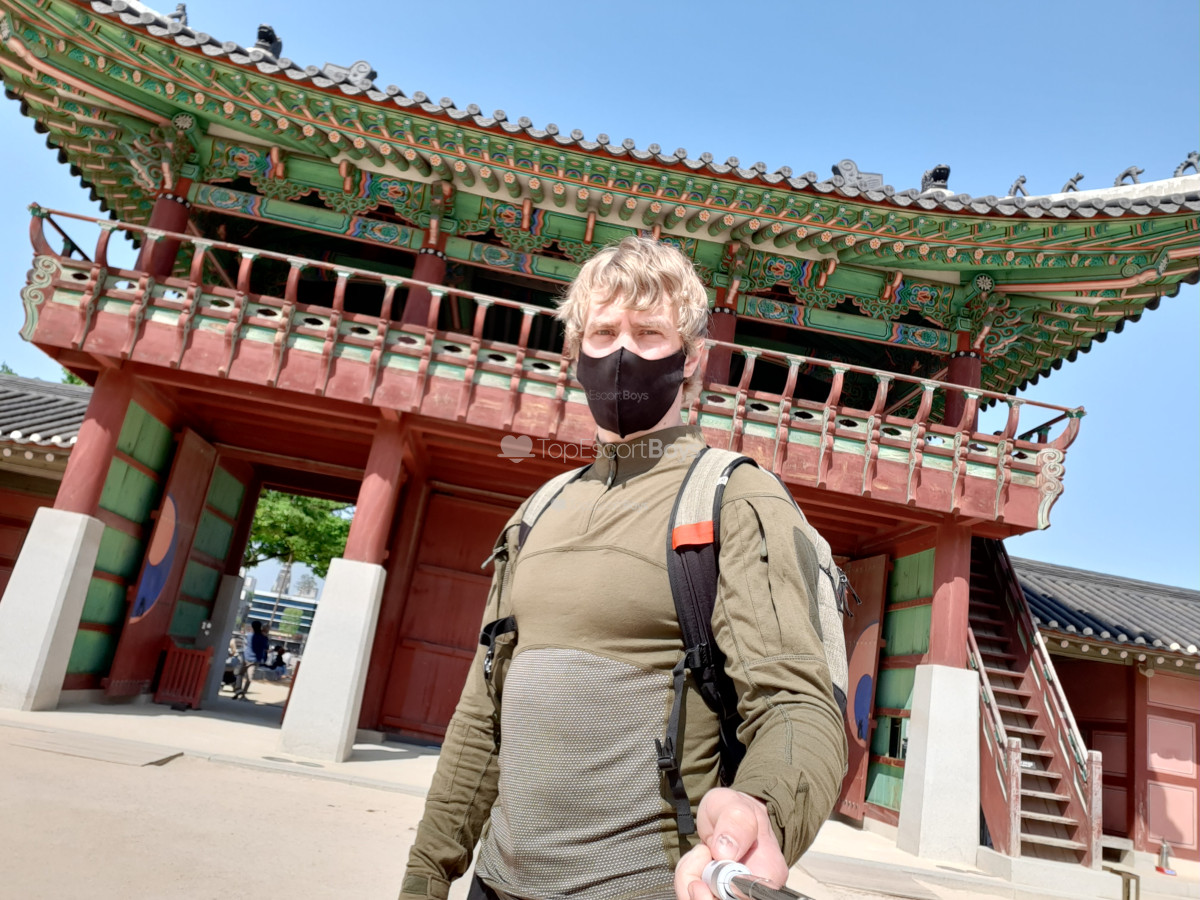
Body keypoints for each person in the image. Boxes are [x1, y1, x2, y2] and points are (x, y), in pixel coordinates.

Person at [400, 236, 846, 900]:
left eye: (649, 333)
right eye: (604, 333)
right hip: (494, 885)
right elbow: (480, 715)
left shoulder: (732, 500)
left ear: (691, 358)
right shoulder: (538, 511)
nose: (621, 353)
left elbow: (792, 702)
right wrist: (424, 877)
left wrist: (763, 811)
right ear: (576, 351)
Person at [232, 621, 268, 700]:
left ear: (252, 627)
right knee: (249, 678)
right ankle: (243, 694)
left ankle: (238, 690)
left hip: (245, 658)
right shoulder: (264, 638)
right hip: (255, 661)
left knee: (239, 674)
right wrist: (264, 632)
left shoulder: (249, 635)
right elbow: (265, 647)